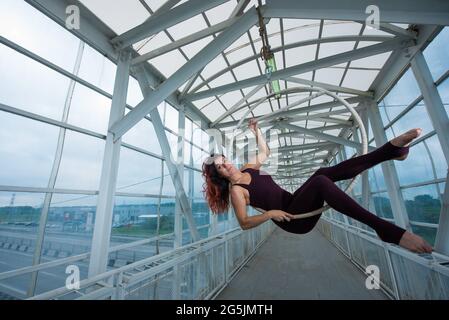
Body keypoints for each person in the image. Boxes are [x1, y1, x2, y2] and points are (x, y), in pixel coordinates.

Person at [202, 119, 433, 253]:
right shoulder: (236, 191)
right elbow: (244, 223)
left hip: (294, 201)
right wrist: (271, 213)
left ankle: (391, 151)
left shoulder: (247, 168)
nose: (228, 166)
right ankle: (385, 229)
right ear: (219, 175)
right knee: (322, 181)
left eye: (225, 160)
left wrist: (257, 131)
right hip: (292, 219)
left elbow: (265, 152)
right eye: (222, 167)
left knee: (321, 173)